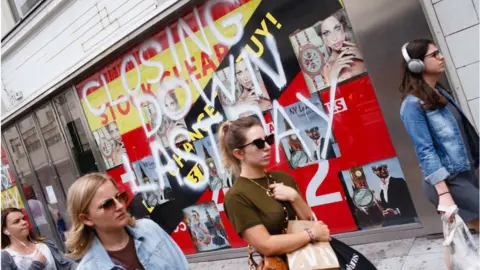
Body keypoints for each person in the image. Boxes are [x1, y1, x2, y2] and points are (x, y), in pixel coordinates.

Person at [399, 39, 479, 269]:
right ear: (415, 65)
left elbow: (464, 135)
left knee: (455, 236)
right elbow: (425, 150)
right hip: (448, 182)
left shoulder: (439, 92)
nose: (441, 57)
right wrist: (443, 193)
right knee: (459, 232)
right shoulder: (412, 105)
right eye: (434, 55)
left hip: (463, 175)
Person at [220, 117, 330, 262]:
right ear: (239, 154)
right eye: (258, 143)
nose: (267, 146)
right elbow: (266, 245)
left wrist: (294, 197)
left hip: (312, 259)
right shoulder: (236, 196)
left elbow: (308, 220)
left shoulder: (282, 178)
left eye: (268, 139)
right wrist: (311, 234)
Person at [65, 173, 189, 269]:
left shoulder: (150, 229)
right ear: (87, 218)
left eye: (120, 197)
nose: (119, 206)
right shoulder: (89, 267)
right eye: (107, 204)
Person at [1, 207, 78, 270]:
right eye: (16, 221)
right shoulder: (5, 257)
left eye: (23, 218)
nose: (24, 222)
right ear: (5, 230)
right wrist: (37, 264)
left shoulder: (45, 244)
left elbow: (68, 265)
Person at [314, 10, 366, 86]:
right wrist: (332, 79)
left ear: (343, 28)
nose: (334, 38)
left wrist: (364, 57)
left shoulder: (361, 50)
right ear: (322, 38)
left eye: (337, 28)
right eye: (327, 33)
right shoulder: (325, 70)